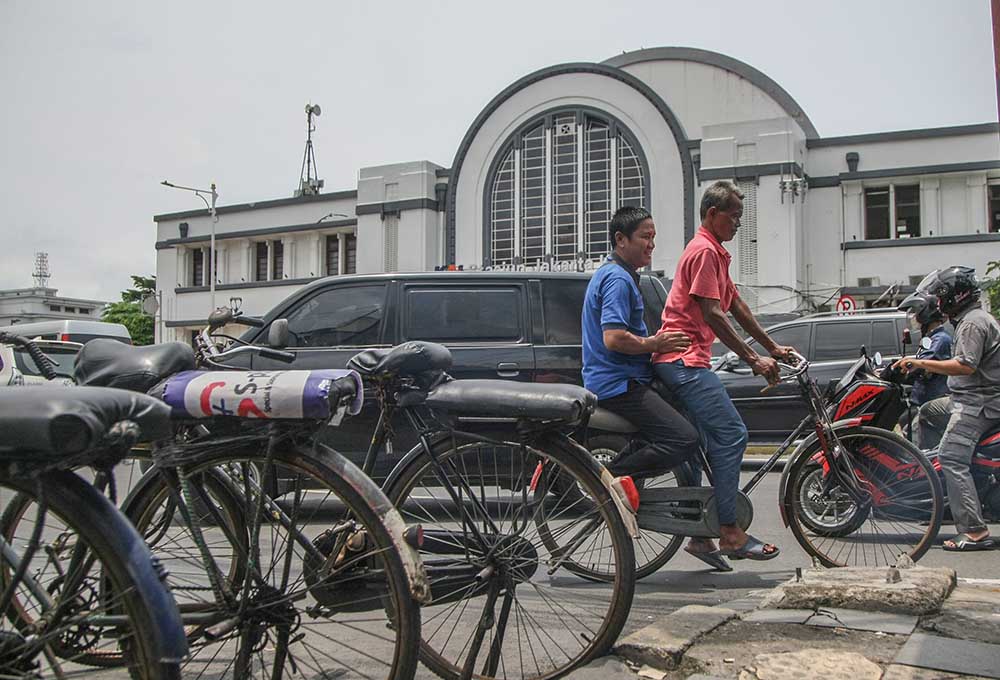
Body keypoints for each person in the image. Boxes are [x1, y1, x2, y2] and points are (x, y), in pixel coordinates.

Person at [652, 181, 796, 561]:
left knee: (700, 444)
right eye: (733, 216)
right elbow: (712, 314)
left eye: (740, 217)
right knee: (732, 435)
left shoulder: (714, 253)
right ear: (712, 214)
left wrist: (773, 348)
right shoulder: (703, 252)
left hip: (684, 363)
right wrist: (753, 360)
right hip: (683, 363)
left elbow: (735, 306)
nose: (737, 224)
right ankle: (730, 532)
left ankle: (701, 536)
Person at [581, 206, 707, 546]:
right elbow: (614, 337)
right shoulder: (618, 279)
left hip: (625, 378)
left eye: (653, 238)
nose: (651, 245)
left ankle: (698, 529)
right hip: (618, 385)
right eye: (644, 238)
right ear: (621, 240)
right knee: (684, 439)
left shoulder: (618, 275)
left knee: (687, 418)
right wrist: (656, 343)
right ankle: (611, 477)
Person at [894, 266, 1000, 552]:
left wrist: (919, 363)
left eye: (941, 298)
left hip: (978, 404)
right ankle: (943, 492)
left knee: (950, 457)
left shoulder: (972, 324)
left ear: (954, 296)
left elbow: (965, 365)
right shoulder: (973, 318)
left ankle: (974, 530)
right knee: (928, 412)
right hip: (966, 398)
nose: (938, 304)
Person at [896, 291, 952, 446]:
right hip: (922, 398)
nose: (914, 318)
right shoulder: (931, 338)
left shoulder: (940, 339)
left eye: (916, 314)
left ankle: (923, 468)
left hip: (932, 398)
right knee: (905, 421)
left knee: (917, 444)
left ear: (925, 314)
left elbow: (924, 363)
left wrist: (910, 367)